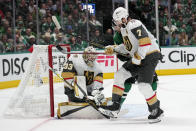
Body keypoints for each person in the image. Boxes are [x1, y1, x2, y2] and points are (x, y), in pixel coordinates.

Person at [99, 7, 164, 121]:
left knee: (143, 85)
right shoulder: (124, 30)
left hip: (150, 54)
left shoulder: (134, 24)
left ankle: (156, 110)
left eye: (117, 20)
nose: (116, 23)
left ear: (124, 18)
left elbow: (145, 42)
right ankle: (115, 107)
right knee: (120, 74)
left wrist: (138, 58)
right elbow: (129, 48)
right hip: (140, 56)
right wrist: (114, 49)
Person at [57, 46, 106, 118]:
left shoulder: (98, 68)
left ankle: (87, 100)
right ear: (85, 55)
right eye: (90, 56)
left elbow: (98, 82)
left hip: (87, 92)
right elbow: (66, 74)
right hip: (72, 89)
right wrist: (74, 85)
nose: (92, 59)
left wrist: (96, 92)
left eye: (93, 57)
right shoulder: (75, 59)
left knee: (97, 100)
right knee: (79, 82)